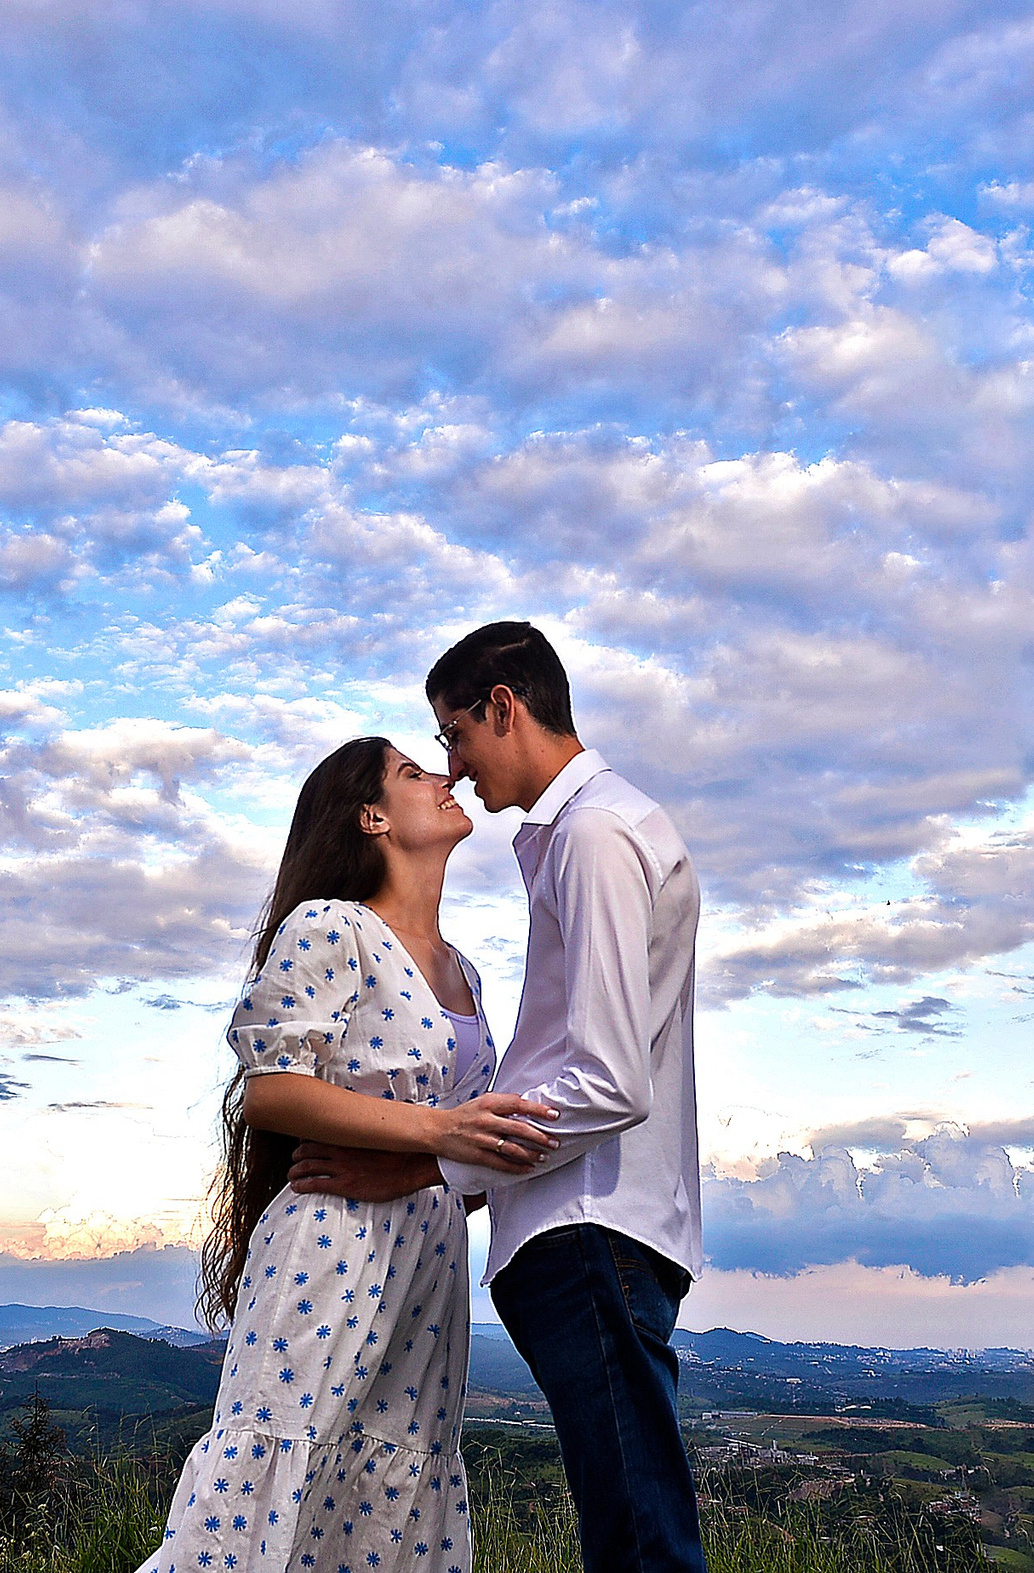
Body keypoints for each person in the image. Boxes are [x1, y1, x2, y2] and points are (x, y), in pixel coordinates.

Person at [291, 622, 708, 1573]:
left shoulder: (596, 835)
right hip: (593, 1228)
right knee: (629, 1532)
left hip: (590, 1227)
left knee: (639, 1543)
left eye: (453, 733)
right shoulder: (598, 833)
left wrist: (420, 1165)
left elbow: (605, 1080)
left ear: (504, 707)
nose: (454, 765)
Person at [141, 736, 562, 1573]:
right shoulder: (335, 927)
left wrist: (449, 1164)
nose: (445, 777)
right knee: (278, 1466)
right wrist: (439, 1135)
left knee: (384, 1507)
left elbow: (472, 1149)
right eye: (413, 773)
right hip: (333, 1247)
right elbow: (272, 1090)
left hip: (428, 1270)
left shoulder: (468, 974)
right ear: (371, 817)